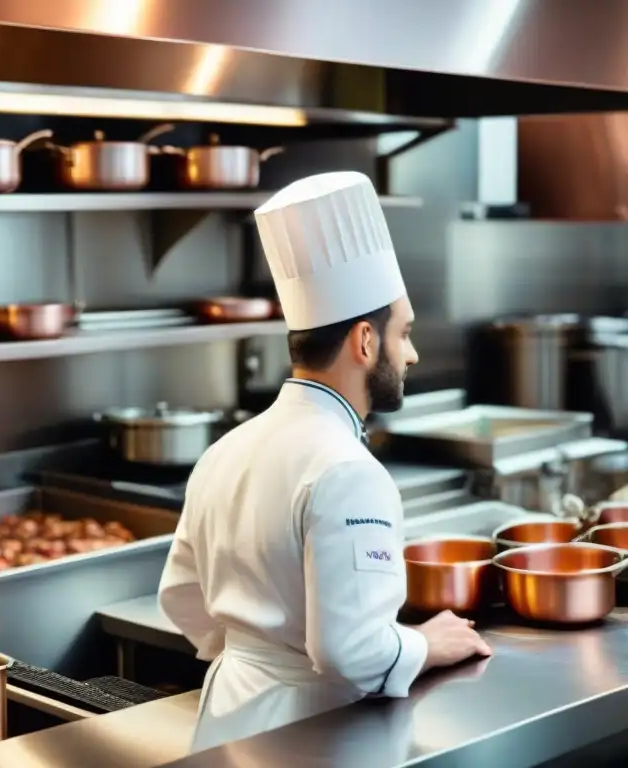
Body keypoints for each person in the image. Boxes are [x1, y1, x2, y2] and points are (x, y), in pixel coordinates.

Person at [158, 171, 492, 755]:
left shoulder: (225, 449)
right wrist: (425, 644)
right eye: (404, 333)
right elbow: (349, 654)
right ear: (365, 342)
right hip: (311, 735)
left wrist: (257, 651)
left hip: (225, 724)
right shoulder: (348, 471)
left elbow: (181, 595)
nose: (410, 354)